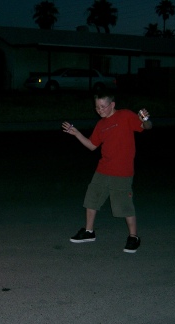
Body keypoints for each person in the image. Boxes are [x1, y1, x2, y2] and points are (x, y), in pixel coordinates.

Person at [62, 90, 152, 253]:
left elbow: (146, 127)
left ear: (112, 105)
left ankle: (133, 236)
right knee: (91, 199)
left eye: (103, 106)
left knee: (124, 206)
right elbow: (91, 145)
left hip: (122, 171)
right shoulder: (101, 125)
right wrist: (76, 133)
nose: (100, 110)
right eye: (97, 107)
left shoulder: (125, 116)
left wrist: (145, 118)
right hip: (103, 169)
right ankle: (89, 232)